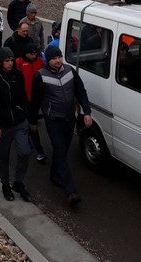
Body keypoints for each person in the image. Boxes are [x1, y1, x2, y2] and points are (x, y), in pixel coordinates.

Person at [29, 45, 93, 208]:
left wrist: (86, 112)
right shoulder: (40, 76)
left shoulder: (70, 71)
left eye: (60, 57)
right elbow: (35, 101)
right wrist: (33, 121)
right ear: (48, 60)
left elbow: (81, 91)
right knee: (60, 150)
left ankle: (54, 175)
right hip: (53, 120)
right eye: (54, 58)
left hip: (69, 118)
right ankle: (70, 191)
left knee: (63, 149)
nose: (58, 61)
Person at [0, 47, 31, 202]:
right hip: (2, 124)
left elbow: (23, 96)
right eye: (6, 61)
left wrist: (26, 114)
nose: (10, 64)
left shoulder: (18, 75)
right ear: (0, 62)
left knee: (24, 151)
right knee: (3, 156)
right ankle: (5, 184)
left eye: (11, 60)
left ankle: (19, 182)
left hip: (19, 121)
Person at [16, 43, 47, 162]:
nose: (34, 56)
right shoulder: (19, 62)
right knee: (32, 126)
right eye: (31, 54)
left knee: (31, 124)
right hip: (25, 100)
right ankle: (40, 150)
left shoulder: (40, 61)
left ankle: (30, 141)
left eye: (35, 54)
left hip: (39, 98)